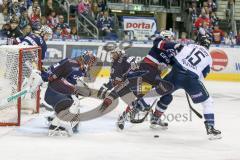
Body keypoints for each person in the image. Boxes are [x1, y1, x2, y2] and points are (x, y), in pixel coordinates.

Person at [138, 35, 221, 140]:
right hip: (191, 79)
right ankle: (210, 128)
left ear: (198, 41)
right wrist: (189, 85)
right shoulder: (209, 58)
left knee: (158, 92)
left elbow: (177, 56)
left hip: (176, 73)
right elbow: (201, 76)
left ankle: (138, 108)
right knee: (208, 102)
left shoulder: (191, 46)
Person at [43, 51, 96, 136]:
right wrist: (45, 77)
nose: (90, 64)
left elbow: (73, 83)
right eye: (89, 61)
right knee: (72, 104)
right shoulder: (69, 63)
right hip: (53, 93)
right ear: (84, 59)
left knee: (75, 102)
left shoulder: (83, 70)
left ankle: (56, 116)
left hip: (60, 93)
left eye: (92, 62)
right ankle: (54, 126)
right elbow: (52, 72)